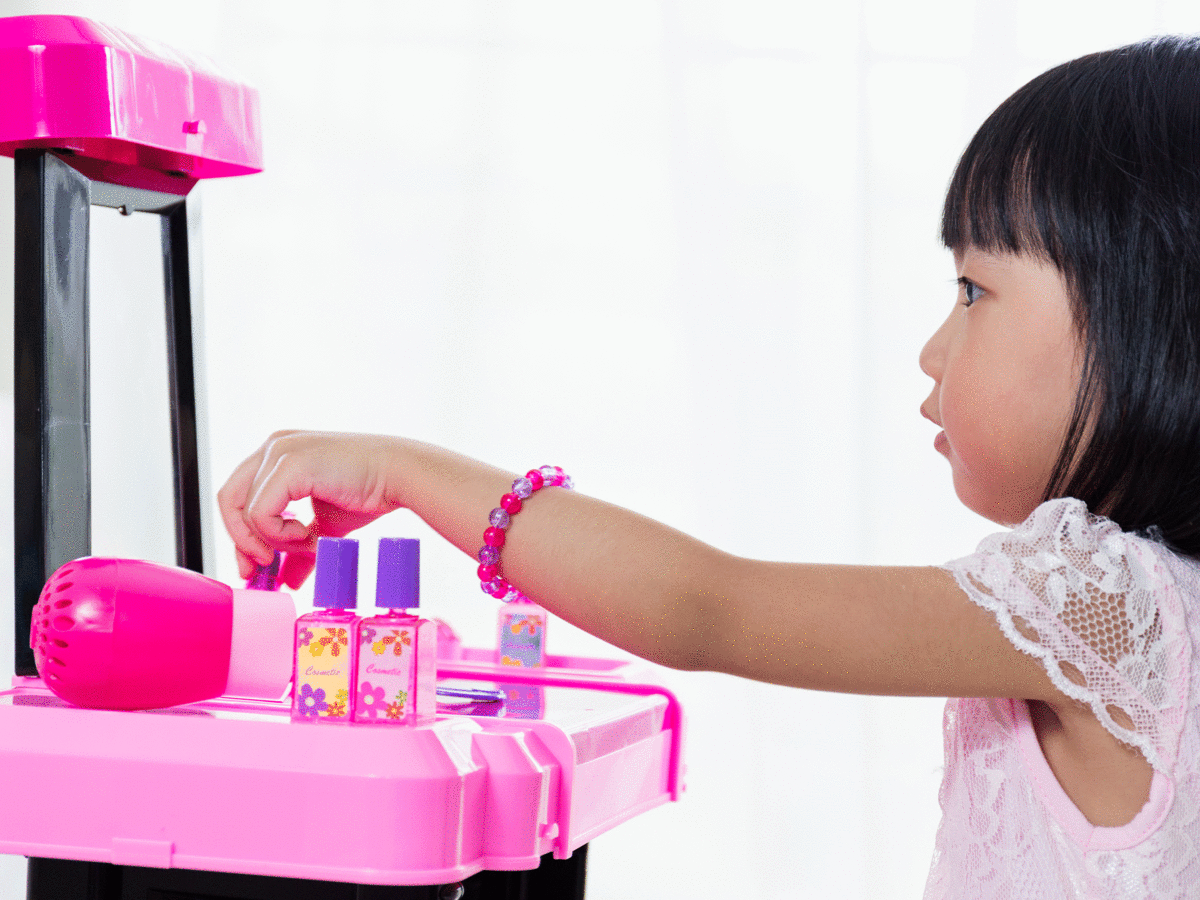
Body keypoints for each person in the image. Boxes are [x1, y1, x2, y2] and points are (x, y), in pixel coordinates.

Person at [218, 35, 1200, 899]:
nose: (933, 351)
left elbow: (702, 606)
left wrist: (403, 471)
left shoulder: (1111, 607)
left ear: (1147, 319)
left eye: (973, 290)